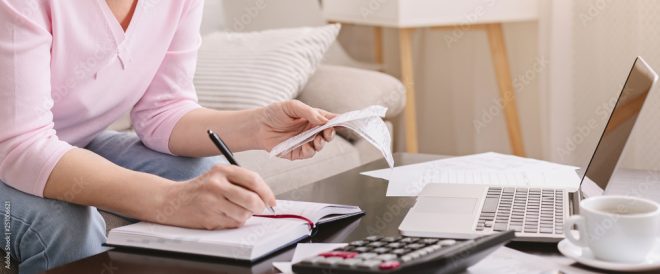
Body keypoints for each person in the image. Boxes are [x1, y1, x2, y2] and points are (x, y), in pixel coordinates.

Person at [0, 0, 335, 273]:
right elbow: (22, 144)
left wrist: (259, 127)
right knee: (68, 225)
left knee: (205, 175)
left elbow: (163, 111)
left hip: (69, 141)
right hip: (12, 151)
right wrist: (168, 201)